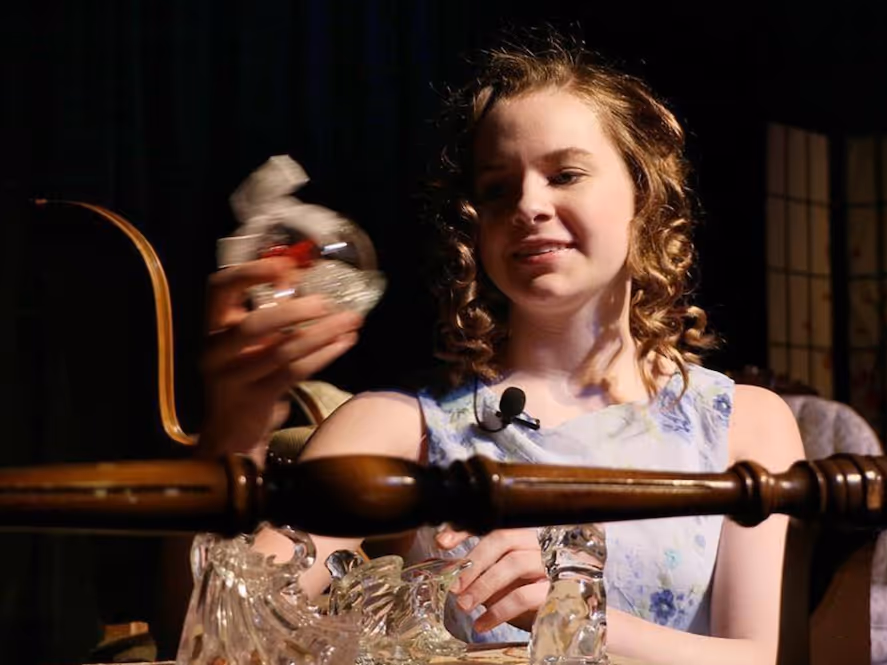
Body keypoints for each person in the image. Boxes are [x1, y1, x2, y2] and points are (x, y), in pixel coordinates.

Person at [198, 35, 804, 665]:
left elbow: (763, 658)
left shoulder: (743, 423)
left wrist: (575, 614)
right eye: (496, 189)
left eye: (565, 175)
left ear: (644, 195)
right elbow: (220, 637)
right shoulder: (404, 425)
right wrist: (237, 424)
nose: (528, 205)